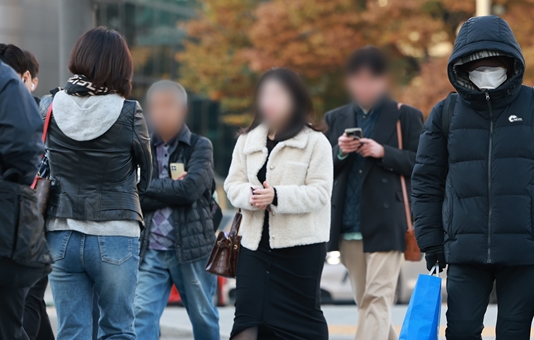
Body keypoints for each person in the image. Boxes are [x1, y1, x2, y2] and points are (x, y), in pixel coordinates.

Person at [412, 16, 534, 339]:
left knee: (513, 333)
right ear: (462, 67)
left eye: (495, 63)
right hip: (464, 248)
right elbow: (426, 181)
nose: (487, 71)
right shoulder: (445, 113)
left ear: (511, 62)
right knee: (461, 332)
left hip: (522, 247)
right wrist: (431, 239)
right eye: (478, 64)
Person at [39, 27, 152, 339]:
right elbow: (148, 175)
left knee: (72, 330)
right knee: (117, 330)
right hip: (116, 233)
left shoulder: (49, 105)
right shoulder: (129, 112)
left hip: (61, 233)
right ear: (120, 67)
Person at [323, 46, 424, 340]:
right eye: (358, 79)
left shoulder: (405, 116)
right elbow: (320, 170)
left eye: (371, 79)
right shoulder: (335, 118)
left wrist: (384, 152)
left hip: (387, 222)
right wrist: (340, 152)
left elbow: (423, 163)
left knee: (377, 300)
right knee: (367, 303)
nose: (364, 86)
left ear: (383, 81)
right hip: (347, 225)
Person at [224, 67, 332, 340]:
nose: (269, 101)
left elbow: (320, 192)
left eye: (277, 94)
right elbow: (231, 184)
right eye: (264, 94)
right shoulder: (247, 140)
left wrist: (277, 197)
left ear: (295, 99)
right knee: (246, 319)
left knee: (302, 324)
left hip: (301, 249)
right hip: (253, 248)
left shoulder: (315, 142)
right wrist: (250, 196)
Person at [133, 80, 220, 340]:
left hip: (192, 249)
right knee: (140, 316)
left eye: (168, 106)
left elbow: (191, 191)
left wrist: (151, 188)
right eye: (156, 106)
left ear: (183, 110)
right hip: (150, 249)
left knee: (203, 317)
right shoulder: (141, 147)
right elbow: (134, 193)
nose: (161, 112)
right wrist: (172, 189)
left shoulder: (199, 145)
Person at [0, 44, 54, 340]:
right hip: (18, 219)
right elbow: (24, 152)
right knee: (23, 305)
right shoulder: (11, 88)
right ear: (25, 77)